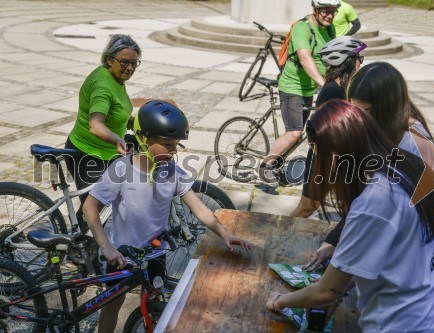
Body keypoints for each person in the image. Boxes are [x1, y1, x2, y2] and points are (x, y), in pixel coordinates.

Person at [266, 99, 434, 333]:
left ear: (337, 155)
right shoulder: (411, 164)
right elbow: (382, 253)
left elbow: (324, 290)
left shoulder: (374, 200)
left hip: (405, 325)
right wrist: (335, 294)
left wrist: (278, 301)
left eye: (320, 157)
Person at [83, 100, 251, 333]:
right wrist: (106, 247)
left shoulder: (173, 172)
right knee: (112, 305)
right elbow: (89, 207)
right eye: (167, 144)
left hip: (155, 253)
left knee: (154, 304)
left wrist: (225, 233)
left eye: (176, 145)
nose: (173, 151)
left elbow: (199, 208)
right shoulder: (121, 170)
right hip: (122, 254)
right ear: (143, 138)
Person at [301, 62, 434, 272]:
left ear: (387, 107)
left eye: (365, 111)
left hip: (403, 263)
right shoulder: (386, 132)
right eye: (355, 110)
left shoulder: (413, 144)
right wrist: (333, 242)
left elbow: (390, 214)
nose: (360, 119)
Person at [64, 34, 141, 233]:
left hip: (105, 154)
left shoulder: (115, 78)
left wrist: (135, 125)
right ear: (109, 59)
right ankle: (83, 255)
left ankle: (80, 247)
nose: (130, 68)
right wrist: (117, 139)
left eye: (134, 63)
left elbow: (116, 113)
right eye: (124, 62)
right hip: (86, 154)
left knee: (97, 206)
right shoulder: (103, 84)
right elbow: (95, 124)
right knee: (96, 210)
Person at [260, 0, 340, 183]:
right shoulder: (302, 28)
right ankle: (265, 166)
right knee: (294, 133)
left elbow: (331, 57)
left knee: (300, 135)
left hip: (308, 89)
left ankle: (278, 162)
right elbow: (305, 58)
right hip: (292, 86)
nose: (329, 15)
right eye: (326, 11)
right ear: (315, 10)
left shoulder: (330, 29)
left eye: (333, 11)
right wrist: (324, 84)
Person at [287, 35, 365, 206]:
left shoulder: (342, 89)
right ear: (348, 61)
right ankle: (282, 233)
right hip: (323, 159)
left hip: (338, 158)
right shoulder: (332, 91)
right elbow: (316, 131)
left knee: (352, 203)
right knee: (307, 207)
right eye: (360, 58)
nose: (361, 62)